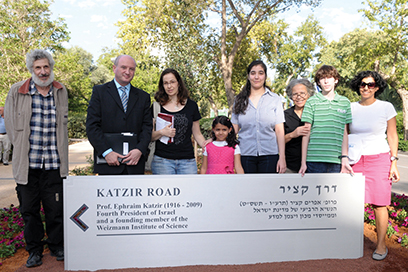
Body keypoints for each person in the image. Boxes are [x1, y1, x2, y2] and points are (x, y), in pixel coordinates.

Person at [4, 49, 68, 267]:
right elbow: (11, 128)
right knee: (29, 211)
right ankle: (34, 250)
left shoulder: (60, 90)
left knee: (55, 209)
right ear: (32, 69)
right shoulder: (17, 91)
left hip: (53, 163)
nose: (42, 71)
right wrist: (21, 148)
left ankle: (56, 245)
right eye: (38, 67)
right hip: (28, 165)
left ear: (51, 68)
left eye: (46, 67)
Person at [348, 70, 399, 261]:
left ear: (377, 87)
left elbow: (392, 135)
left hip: (379, 158)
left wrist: (393, 162)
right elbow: (345, 134)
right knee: (352, 204)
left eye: (370, 84)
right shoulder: (350, 107)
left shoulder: (386, 107)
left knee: (379, 204)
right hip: (355, 160)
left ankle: (380, 244)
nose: (366, 88)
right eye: (362, 84)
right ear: (358, 86)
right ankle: (351, 242)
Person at [86, 55, 152, 175]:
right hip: (107, 163)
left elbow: (147, 127)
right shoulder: (99, 92)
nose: (128, 72)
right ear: (114, 68)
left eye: (132, 69)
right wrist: (106, 152)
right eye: (124, 67)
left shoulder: (143, 97)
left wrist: (139, 150)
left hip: (134, 164)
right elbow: (92, 126)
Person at [231, 60, 286, 173]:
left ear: (265, 76)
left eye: (260, 73)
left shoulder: (274, 99)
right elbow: (234, 129)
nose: (256, 77)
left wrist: (282, 157)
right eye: (253, 73)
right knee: (247, 189)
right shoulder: (239, 100)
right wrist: (215, 139)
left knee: (268, 190)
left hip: (269, 155)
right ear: (248, 76)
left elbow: (279, 131)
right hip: (245, 154)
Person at [151, 68, 207, 174]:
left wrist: (207, 146)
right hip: (162, 161)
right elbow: (149, 136)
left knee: (189, 191)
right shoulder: (156, 107)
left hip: (187, 162)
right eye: (166, 83)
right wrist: (162, 132)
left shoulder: (191, 106)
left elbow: (197, 134)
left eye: (172, 82)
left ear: (178, 83)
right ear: (162, 86)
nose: (169, 86)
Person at [299, 65, 352, 175]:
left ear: (336, 80)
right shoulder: (311, 102)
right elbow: (306, 133)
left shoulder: (345, 102)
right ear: (318, 82)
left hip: (336, 160)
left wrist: (345, 158)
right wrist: (303, 162)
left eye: (329, 77)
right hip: (314, 160)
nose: (326, 81)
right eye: (322, 78)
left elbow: (345, 133)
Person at [284, 79, 315, 173]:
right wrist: (292, 134)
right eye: (295, 94)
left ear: (309, 94)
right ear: (290, 96)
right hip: (290, 166)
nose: (299, 97)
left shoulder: (316, 113)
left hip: (313, 164)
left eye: (302, 93)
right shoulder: (284, 115)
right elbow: (275, 142)